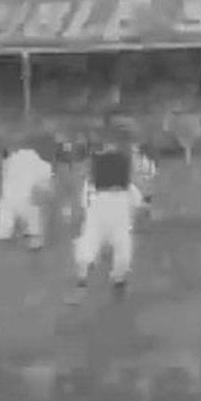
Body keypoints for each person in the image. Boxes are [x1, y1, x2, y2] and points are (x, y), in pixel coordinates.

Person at [69, 123, 140, 302]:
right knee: (112, 241)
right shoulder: (120, 159)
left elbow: (88, 186)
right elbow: (133, 188)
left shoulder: (107, 160)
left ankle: (95, 278)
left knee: (97, 239)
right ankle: (111, 279)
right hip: (111, 200)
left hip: (107, 200)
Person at [0, 133, 55, 250]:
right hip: (24, 202)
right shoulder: (33, 160)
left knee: (9, 221)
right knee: (30, 217)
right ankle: (31, 233)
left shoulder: (14, 159)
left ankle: (18, 231)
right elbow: (48, 181)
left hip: (19, 202)